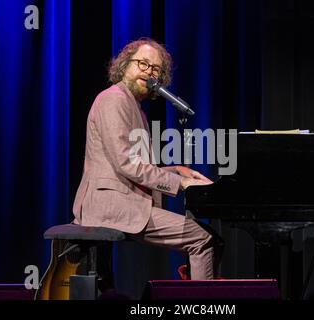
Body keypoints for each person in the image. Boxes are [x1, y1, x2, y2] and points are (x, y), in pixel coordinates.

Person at [72, 38, 223, 280]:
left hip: (125, 203)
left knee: (210, 237)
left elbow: (136, 163)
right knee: (202, 239)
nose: (149, 73)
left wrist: (177, 171)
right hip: (110, 205)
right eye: (142, 64)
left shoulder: (136, 108)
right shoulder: (113, 99)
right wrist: (180, 184)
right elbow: (126, 163)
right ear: (124, 65)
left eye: (156, 69)